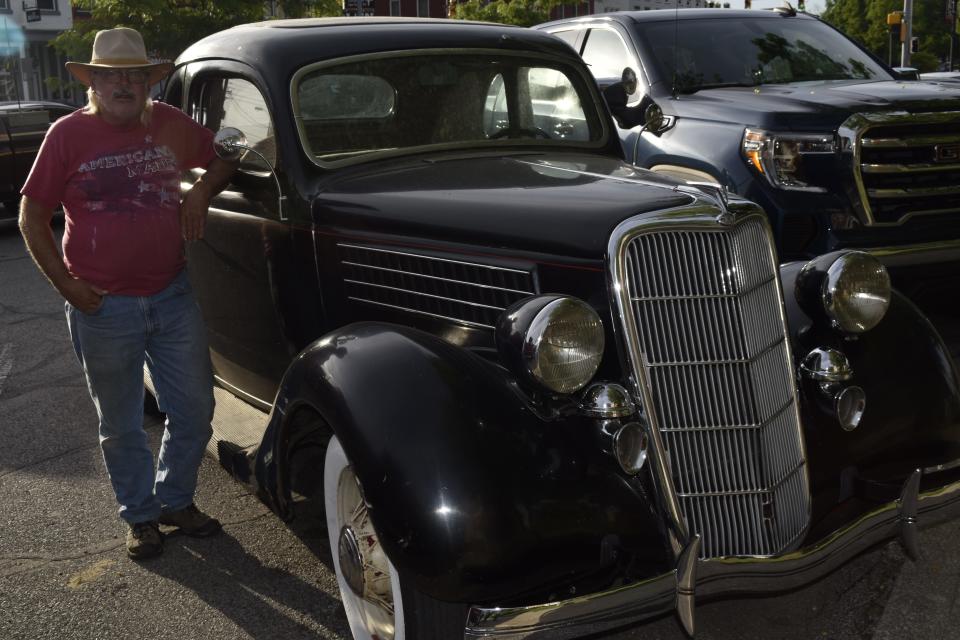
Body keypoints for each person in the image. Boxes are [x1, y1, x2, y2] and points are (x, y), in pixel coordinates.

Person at [18, 27, 236, 560]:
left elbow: (225, 156)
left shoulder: (168, 122)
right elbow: (31, 216)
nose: (124, 84)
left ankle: (174, 500)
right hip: (102, 305)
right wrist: (66, 284)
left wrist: (201, 192)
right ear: (92, 82)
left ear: (146, 81)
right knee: (120, 423)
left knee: (195, 408)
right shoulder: (66, 136)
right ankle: (140, 516)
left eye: (134, 75)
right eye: (111, 75)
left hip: (171, 294)